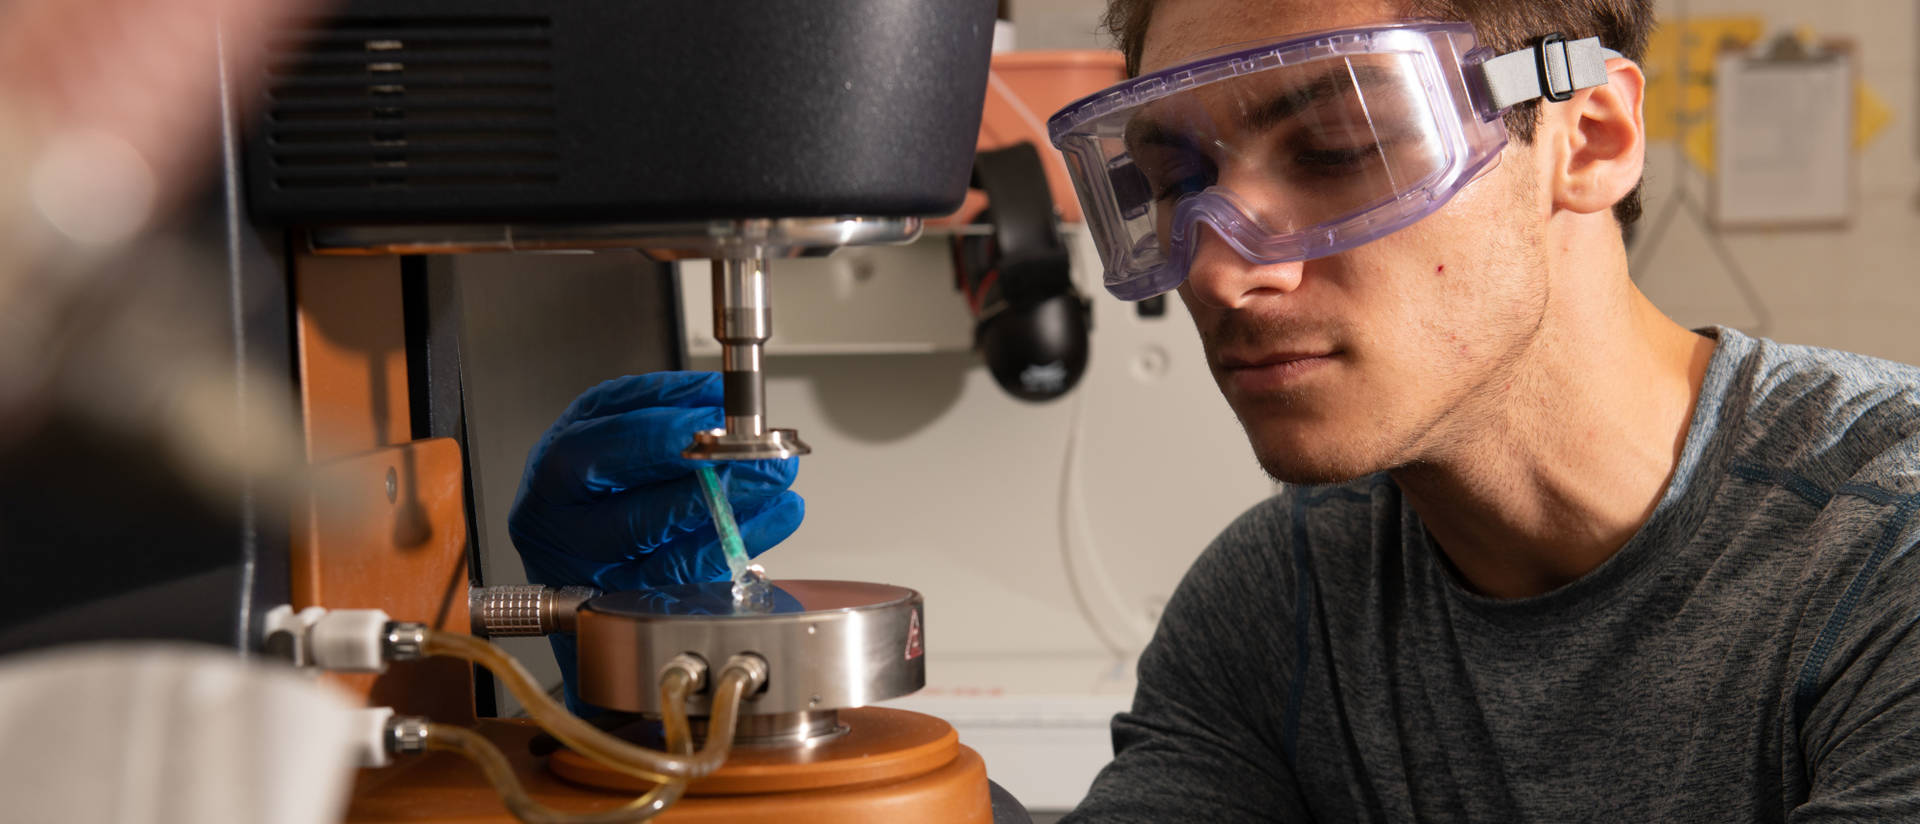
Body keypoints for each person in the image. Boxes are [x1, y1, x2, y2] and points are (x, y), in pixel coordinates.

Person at [510, 0, 1920, 819]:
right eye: (1172, 181)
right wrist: (726, 738)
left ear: (1589, 138)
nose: (1229, 266)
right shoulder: (1291, 592)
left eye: (1341, 147)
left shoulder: (1883, 556)